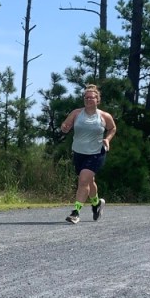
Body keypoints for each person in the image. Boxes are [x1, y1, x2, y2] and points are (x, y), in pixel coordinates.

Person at [60, 84, 116, 224]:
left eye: (92, 98)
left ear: (97, 100)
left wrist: (107, 139)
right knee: (89, 182)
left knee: (83, 180)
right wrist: (65, 128)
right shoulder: (76, 113)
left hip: (96, 153)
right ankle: (96, 204)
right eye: (86, 98)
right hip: (79, 152)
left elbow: (112, 128)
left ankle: (76, 212)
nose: (89, 100)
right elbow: (65, 127)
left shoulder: (104, 116)